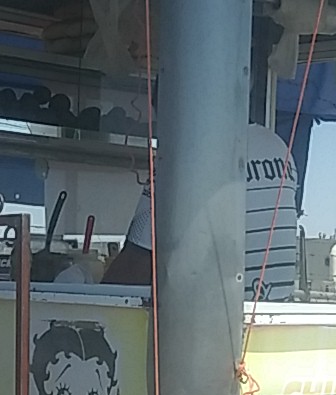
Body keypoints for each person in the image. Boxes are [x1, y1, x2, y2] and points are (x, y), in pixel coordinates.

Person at [103, 121, 300, 299]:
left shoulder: (184, 152)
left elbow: (135, 266)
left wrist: (95, 293)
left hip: (212, 319)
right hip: (276, 315)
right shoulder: (277, 145)